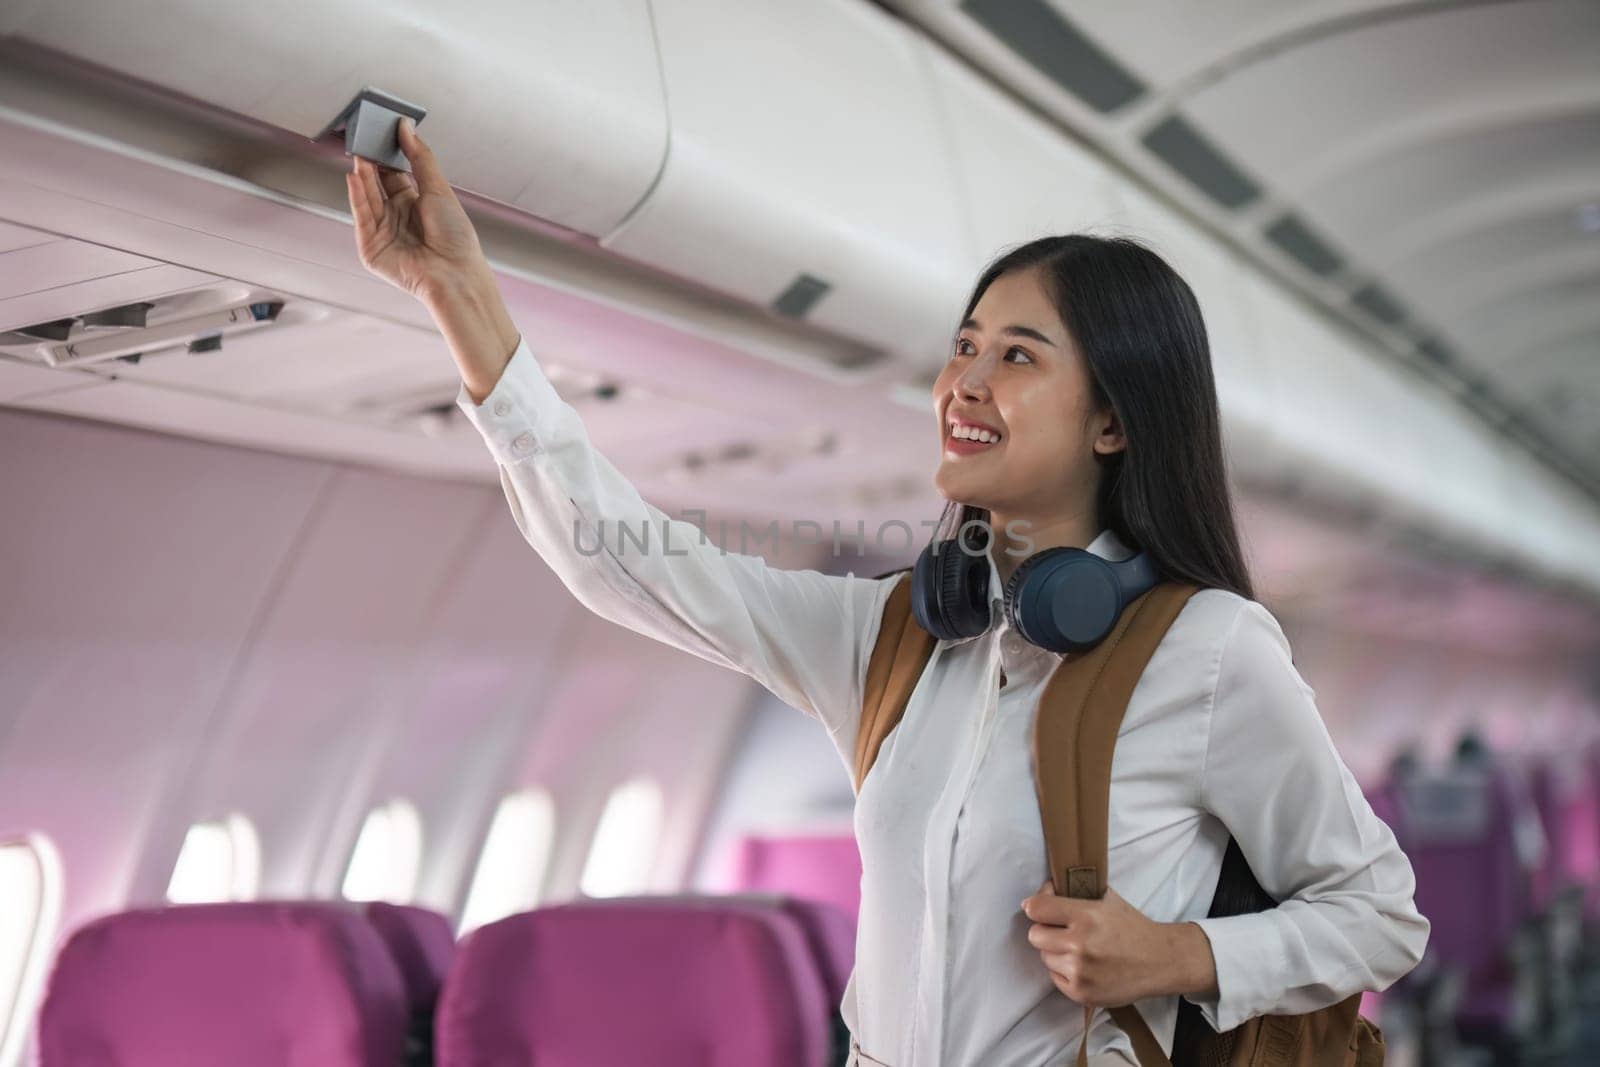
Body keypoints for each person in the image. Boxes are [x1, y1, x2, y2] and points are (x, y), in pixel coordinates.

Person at [346, 118, 1429, 1066]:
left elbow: (1378, 914)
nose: (962, 381)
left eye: (1015, 355)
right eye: (962, 348)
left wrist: (1181, 953)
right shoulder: (898, 633)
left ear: (1112, 421)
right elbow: (621, 559)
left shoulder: (1209, 649)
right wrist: (460, 296)